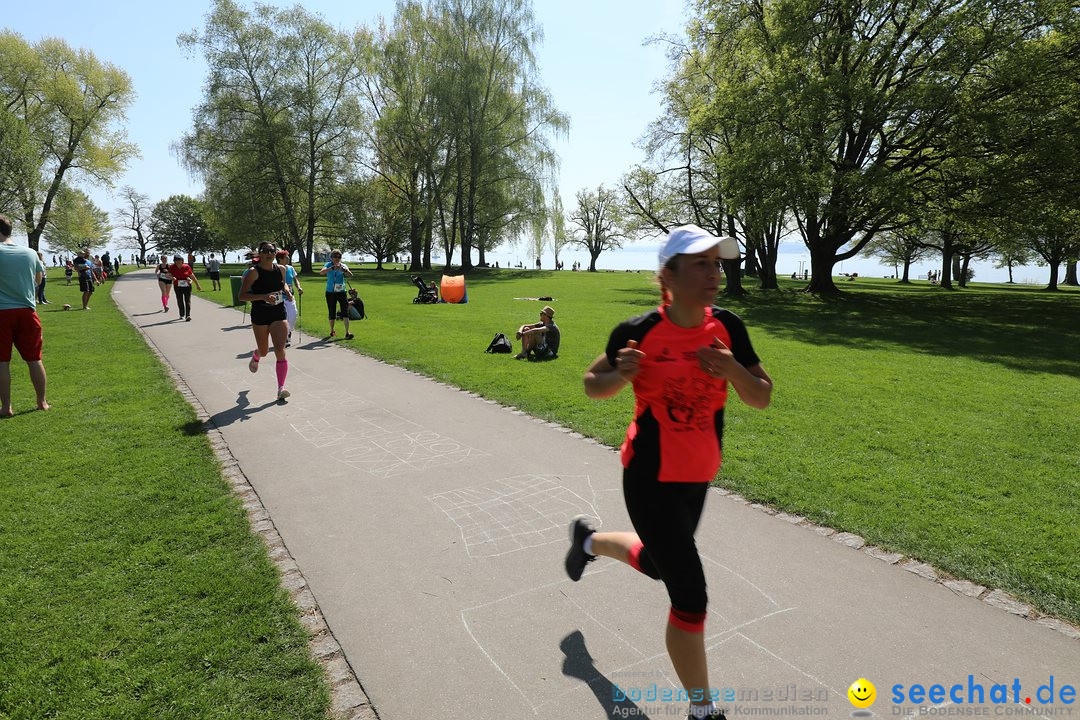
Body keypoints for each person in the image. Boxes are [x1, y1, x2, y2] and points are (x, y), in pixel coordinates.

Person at [567, 224, 773, 720]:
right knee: (690, 595)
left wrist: (733, 371)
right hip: (649, 477)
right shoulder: (638, 332)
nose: (714, 273)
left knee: (661, 565)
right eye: (701, 263)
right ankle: (703, 711)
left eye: (717, 264)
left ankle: (588, 542)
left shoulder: (727, 327)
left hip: (698, 475)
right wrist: (622, 374)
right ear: (669, 274)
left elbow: (761, 395)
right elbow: (593, 384)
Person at [0, 214, 49, 417]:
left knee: (2, 362)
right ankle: (42, 402)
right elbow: (38, 281)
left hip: (2, 313)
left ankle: (6, 407)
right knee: (34, 359)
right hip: (27, 312)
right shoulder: (30, 253)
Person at [238, 241, 293, 402]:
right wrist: (263, 297)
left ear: (275, 254)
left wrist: (288, 292)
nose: (269, 253)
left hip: (278, 312)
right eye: (266, 250)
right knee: (264, 351)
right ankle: (256, 355)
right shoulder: (253, 272)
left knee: (279, 349)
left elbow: (283, 286)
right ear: (260, 254)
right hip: (260, 314)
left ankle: (281, 388)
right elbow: (242, 296)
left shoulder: (281, 269)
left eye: (272, 251)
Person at [318, 249, 353, 340]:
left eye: (339, 257)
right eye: (335, 257)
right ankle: (332, 330)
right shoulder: (328, 265)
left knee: (345, 311)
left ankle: (347, 332)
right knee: (332, 311)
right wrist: (332, 268)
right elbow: (321, 272)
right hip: (330, 292)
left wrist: (345, 271)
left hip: (341, 292)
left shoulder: (343, 265)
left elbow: (351, 275)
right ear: (332, 258)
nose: (337, 259)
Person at [275, 249, 303, 346]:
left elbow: (295, 280)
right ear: (280, 259)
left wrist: (299, 287)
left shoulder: (290, 268)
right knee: (284, 318)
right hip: (280, 297)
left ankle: (288, 332)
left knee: (293, 315)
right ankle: (285, 338)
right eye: (286, 257)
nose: (288, 258)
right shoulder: (276, 268)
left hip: (291, 296)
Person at [167, 254, 202, 321]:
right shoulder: (172, 267)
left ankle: (188, 315)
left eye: (179, 260)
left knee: (187, 300)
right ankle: (181, 314)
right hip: (177, 285)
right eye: (176, 260)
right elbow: (167, 275)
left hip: (187, 285)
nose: (178, 262)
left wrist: (197, 285)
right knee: (180, 300)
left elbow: (192, 276)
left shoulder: (186, 266)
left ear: (182, 260)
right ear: (174, 261)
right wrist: (172, 278)